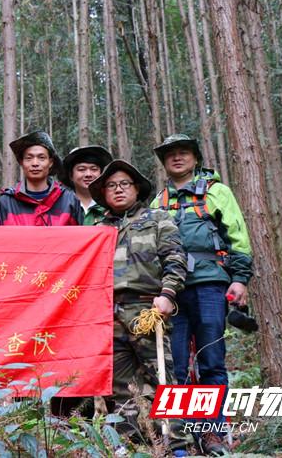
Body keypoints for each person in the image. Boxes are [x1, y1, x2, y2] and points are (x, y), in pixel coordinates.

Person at [151, 134, 253, 456]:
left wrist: (240, 279)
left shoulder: (216, 192)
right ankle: (180, 437)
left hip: (211, 284)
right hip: (172, 291)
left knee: (211, 359)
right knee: (176, 364)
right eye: (171, 155)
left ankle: (212, 433)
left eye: (184, 153)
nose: (177, 158)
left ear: (195, 158)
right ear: (165, 163)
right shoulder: (158, 202)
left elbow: (237, 235)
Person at [88, 160, 189, 454]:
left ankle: (179, 445)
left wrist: (168, 294)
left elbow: (175, 259)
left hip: (148, 309)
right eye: (111, 186)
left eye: (124, 184)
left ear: (136, 189)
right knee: (122, 386)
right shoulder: (97, 230)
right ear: (103, 193)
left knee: (163, 378)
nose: (118, 190)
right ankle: (134, 444)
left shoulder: (158, 219)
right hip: (109, 313)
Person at [0, 131, 83, 226]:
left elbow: (80, 237)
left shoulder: (69, 200)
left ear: (50, 162)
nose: (35, 163)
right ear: (21, 162)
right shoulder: (6, 202)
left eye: (41, 158)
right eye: (29, 158)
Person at [60, 145, 113, 226]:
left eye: (94, 169)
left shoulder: (112, 205)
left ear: (102, 174)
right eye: (81, 169)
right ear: (71, 175)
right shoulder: (60, 206)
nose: (88, 174)